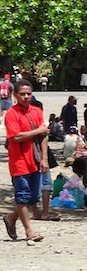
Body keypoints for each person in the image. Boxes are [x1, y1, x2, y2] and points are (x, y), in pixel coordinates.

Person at [3, 79, 49, 243]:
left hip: (35, 160)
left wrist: (44, 159)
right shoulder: (12, 114)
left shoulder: (36, 111)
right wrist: (38, 131)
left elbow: (43, 137)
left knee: (32, 198)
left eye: (29, 93)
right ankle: (29, 231)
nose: (26, 97)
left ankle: (11, 217)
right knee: (22, 196)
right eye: (22, 94)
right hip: (19, 162)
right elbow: (16, 137)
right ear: (15, 95)